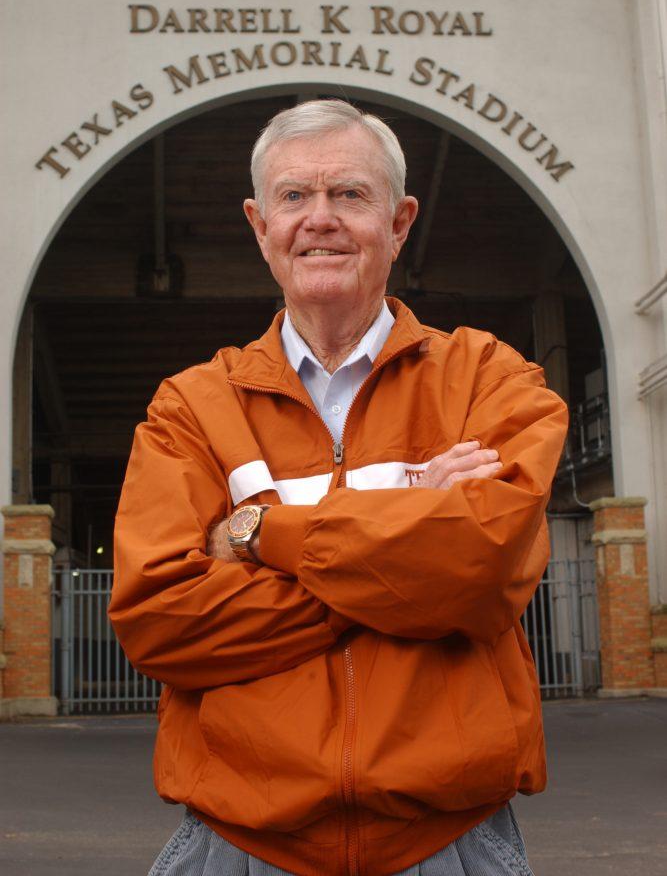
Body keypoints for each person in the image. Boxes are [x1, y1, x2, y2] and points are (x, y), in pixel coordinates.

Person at [109, 99, 569, 876]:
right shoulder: (190, 405)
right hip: (238, 843)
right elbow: (158, 617)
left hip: (448, 843)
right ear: (260, 226)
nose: (318, 219)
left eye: (349, 195)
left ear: (397, 222)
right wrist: (408, 555)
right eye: (293, 196)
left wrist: (258, 535)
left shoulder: (488, 377)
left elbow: (481, 564)